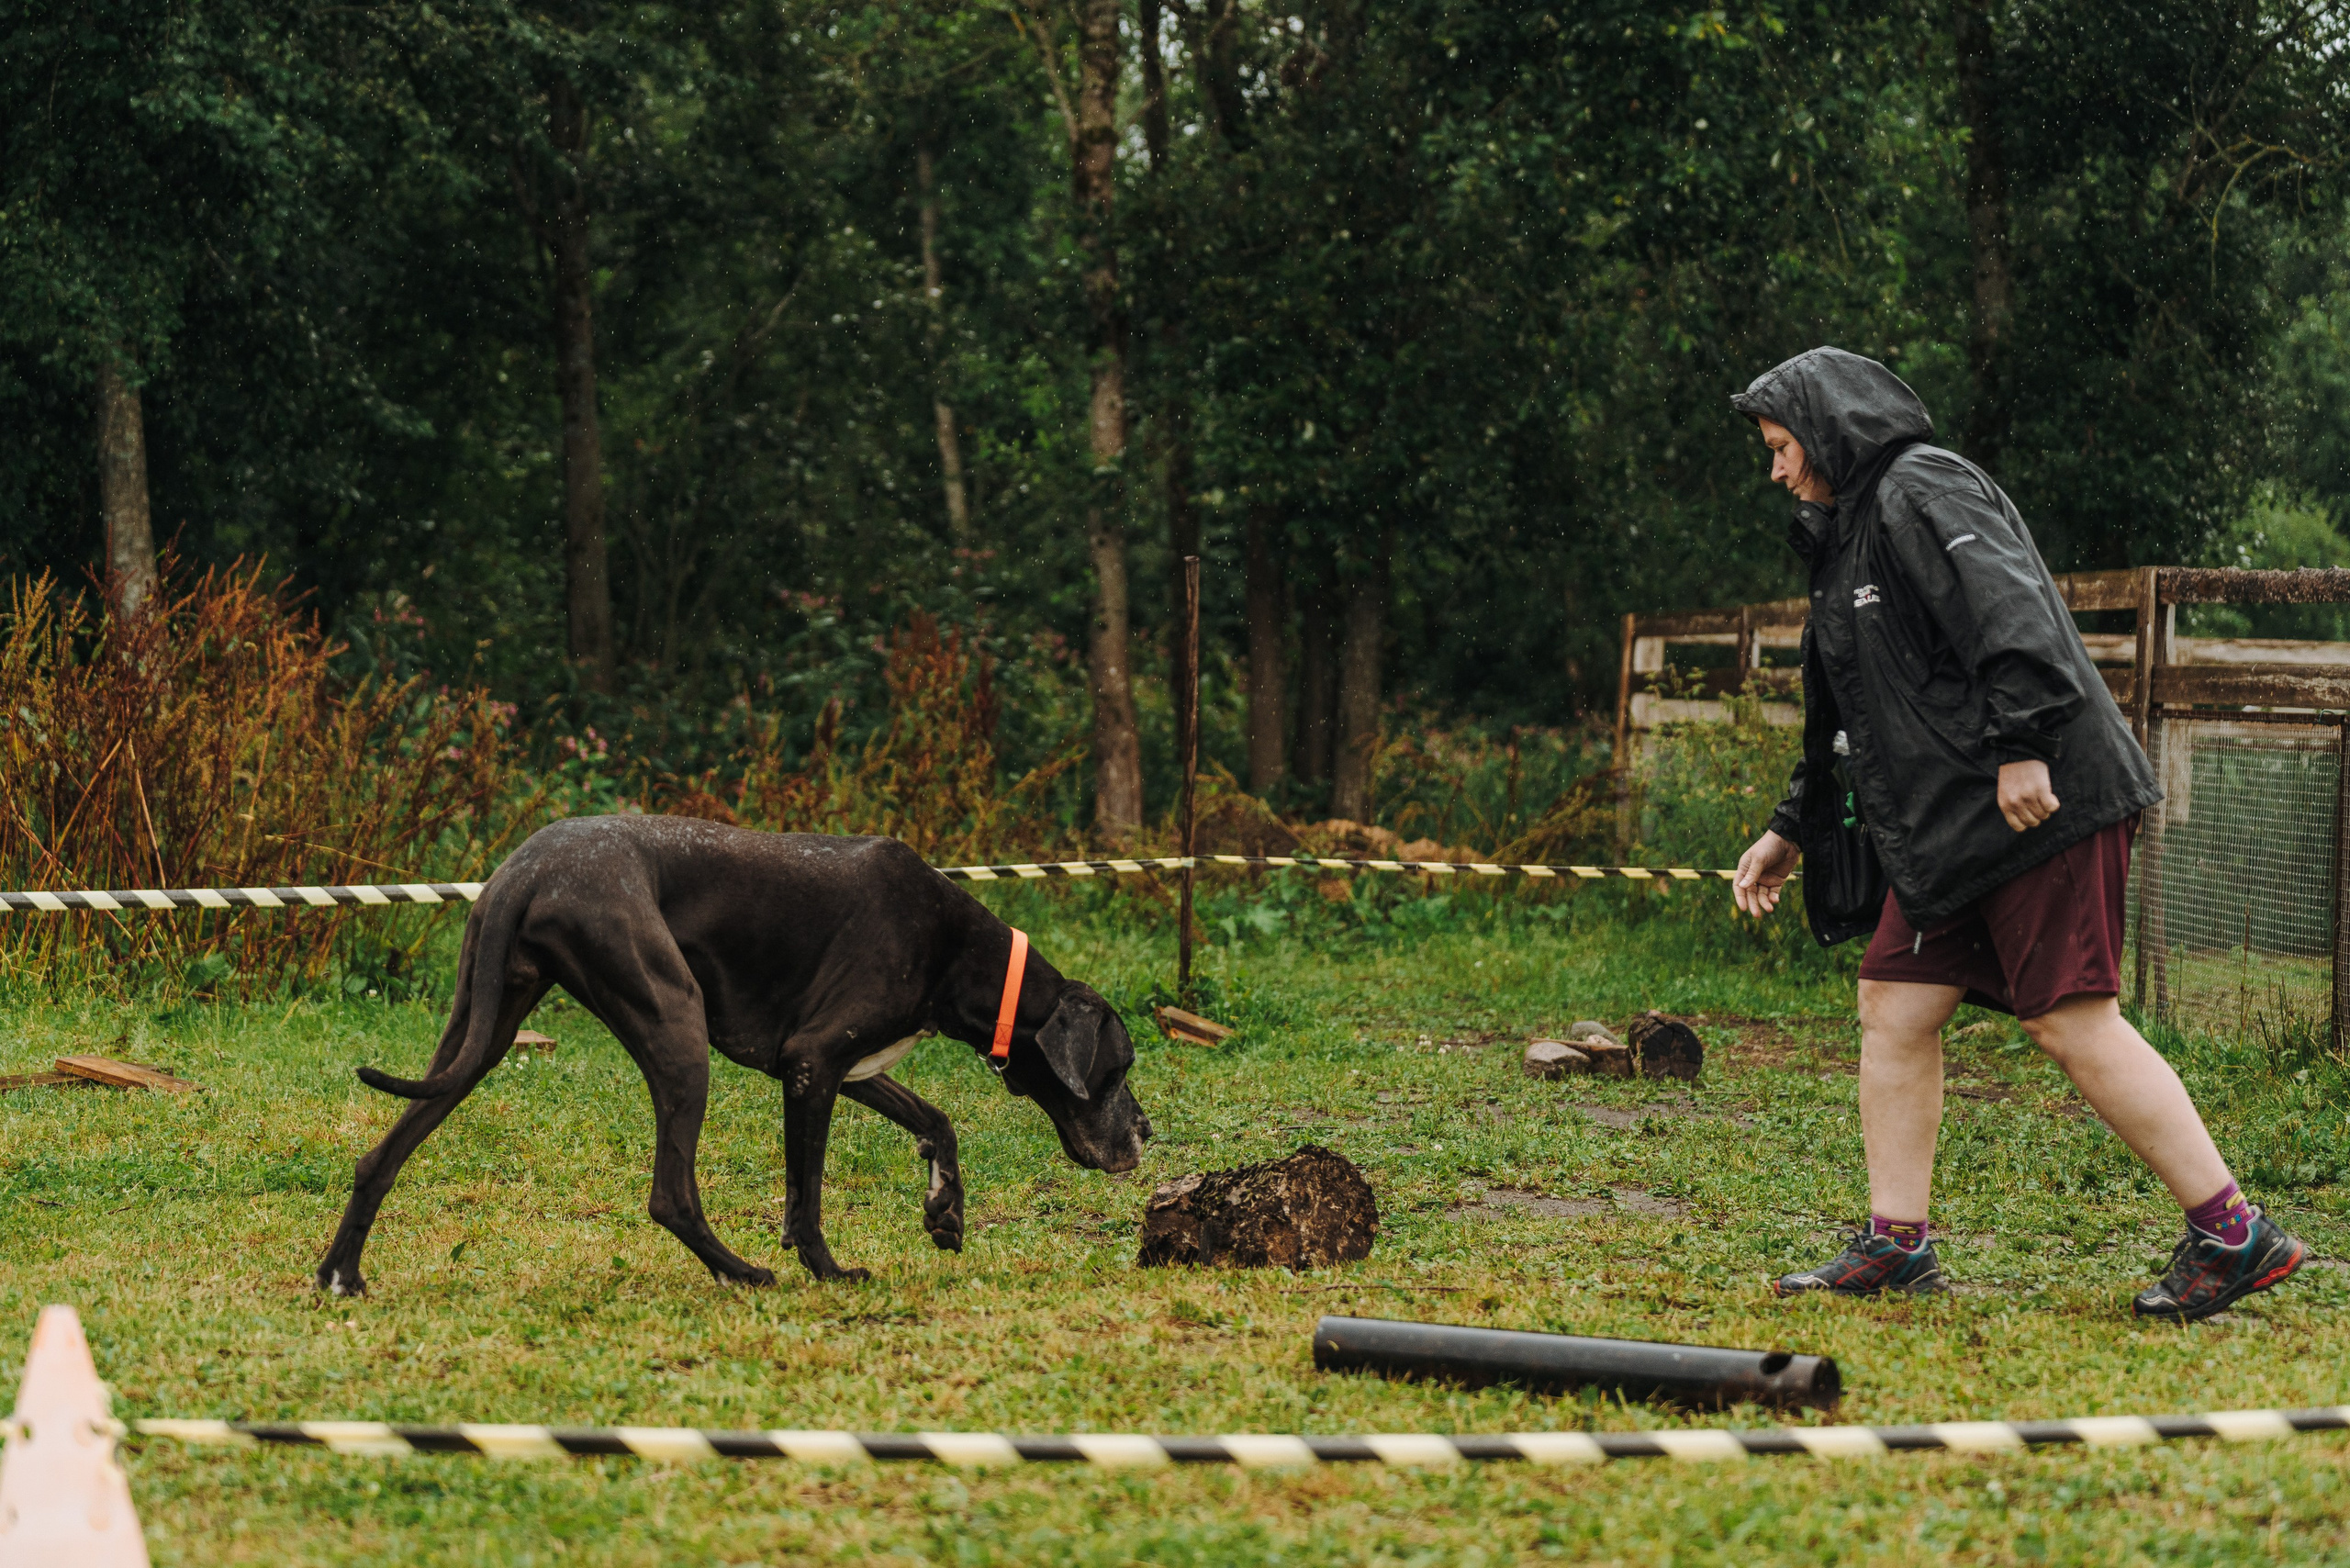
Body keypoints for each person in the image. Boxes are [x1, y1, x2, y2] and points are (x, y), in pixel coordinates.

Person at [1728, 346, 2305, 1322]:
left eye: (1783, 447)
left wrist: (2026, 746)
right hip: (1951, 826)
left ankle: (2233, 1232)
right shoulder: (1845, 539)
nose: (1777, 470)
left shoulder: (1923, 487)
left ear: (1826, 433)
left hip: (2039, 800)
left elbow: (2014, 613)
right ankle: (1896, 1245)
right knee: (1894, 1003)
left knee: (2070, 1018)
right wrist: (1794, 825)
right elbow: (1852, 711)